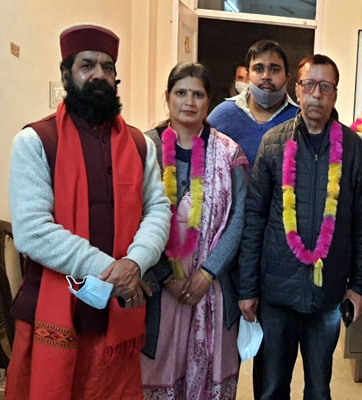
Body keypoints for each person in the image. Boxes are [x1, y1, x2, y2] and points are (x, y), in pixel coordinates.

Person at [6, 24, 171, 399]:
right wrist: (114, 271)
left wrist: (136, 261)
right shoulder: (35, 141)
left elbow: (158, 209)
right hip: (53, 310)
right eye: (87, 65)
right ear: (66, 74)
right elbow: (32, 231)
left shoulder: (140, 144)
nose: (99, 74)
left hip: (116, 314)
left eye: (107, 67)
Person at [238, 54, 362, 399]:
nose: (316, 94)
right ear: (297, 90)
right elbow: (254, 219)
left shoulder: (353, 148)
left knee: (319, 389)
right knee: (271, 388)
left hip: (327, 294)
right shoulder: (274, 142)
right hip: (276, 293)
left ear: (335, 94)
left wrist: (358, 287)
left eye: (325, 86)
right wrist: (248, 288)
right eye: (309, 85)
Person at [140, 62, 248, 399]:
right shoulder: (144, 148)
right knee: (157, 373)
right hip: (158, 288)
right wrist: (166, 277)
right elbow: (133, 217)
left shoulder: (229, 152)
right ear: (167, 97)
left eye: (198, 94)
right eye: (181, 93)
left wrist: (208, 272)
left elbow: (239, 218)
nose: (189, 101)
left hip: (213, 288)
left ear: (209, 101)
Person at [208, 40, 298, 168]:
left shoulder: (299, 120)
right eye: (259, 69)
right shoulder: (222, 115)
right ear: (248, 75)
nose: (266, 76)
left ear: (287, 78)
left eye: (274, 69)